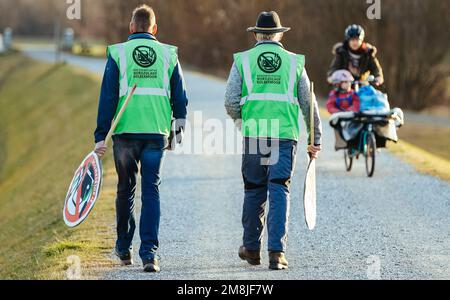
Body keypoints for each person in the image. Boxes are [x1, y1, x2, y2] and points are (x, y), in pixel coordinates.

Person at [93, 4, 188, 273]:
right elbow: (180, 97)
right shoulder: (169, 54)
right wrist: (177, 130)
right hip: (156, 132)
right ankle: (150, 255)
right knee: (152, 190)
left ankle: (124, 249)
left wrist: (101, 135)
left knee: (126, 190)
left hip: (124, 134)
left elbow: (108, 97)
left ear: (131, 27)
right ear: (154, 29)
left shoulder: (118, 53)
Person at [225, 11, 322, 270]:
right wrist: (316, 136)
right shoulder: (294, 63)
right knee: (279, 188)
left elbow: (231, 101)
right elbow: (308, 102)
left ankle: (252, 248)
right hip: (284, 136)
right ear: (280, 34)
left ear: (256, 34)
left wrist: (243, 120)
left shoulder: (243, 60)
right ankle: (277, 253)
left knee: (254, 189)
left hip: (255, 133)